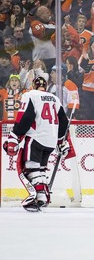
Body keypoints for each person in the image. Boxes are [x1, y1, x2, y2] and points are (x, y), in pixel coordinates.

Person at [3, 76, 69, 212]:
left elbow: (25, 117)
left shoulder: (30, 95)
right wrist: (61, 140)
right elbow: (64, 121)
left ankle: (40, 196)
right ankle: (42, 198)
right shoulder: (54, 98)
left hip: (36, 138)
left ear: (33, 85)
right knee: (41, 169)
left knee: (31, 168)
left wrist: (15, 136)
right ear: (45, 86)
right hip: (50, 141)